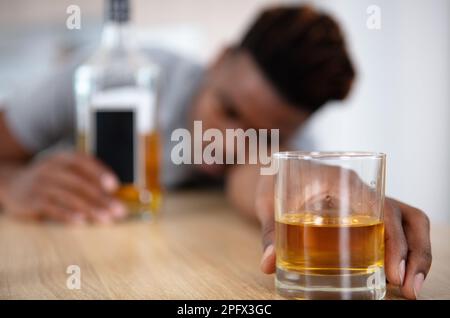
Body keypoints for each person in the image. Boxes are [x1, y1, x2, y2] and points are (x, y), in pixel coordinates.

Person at [0, 6, 431, 299]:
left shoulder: (292, 149)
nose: (228, 142)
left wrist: (314, 188)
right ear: (219, 59)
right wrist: (13, 181)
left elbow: (259, 175)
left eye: (261, 135)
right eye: (227, 110)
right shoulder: (114, 74)